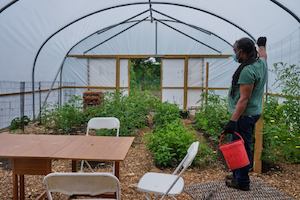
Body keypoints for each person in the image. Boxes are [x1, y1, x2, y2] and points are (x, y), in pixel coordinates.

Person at [223, 37, 268, 191]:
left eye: (235, 51)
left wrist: (232, 121)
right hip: (253, 112)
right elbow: (264, 55)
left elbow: (243, 100)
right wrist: (262, 45)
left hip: (244, 115)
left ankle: (242, 182)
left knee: (240, 148)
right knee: (240, 145)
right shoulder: (260, 63)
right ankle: (237, 175)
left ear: (242, 52)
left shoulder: (248, 71)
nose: (234, 54)